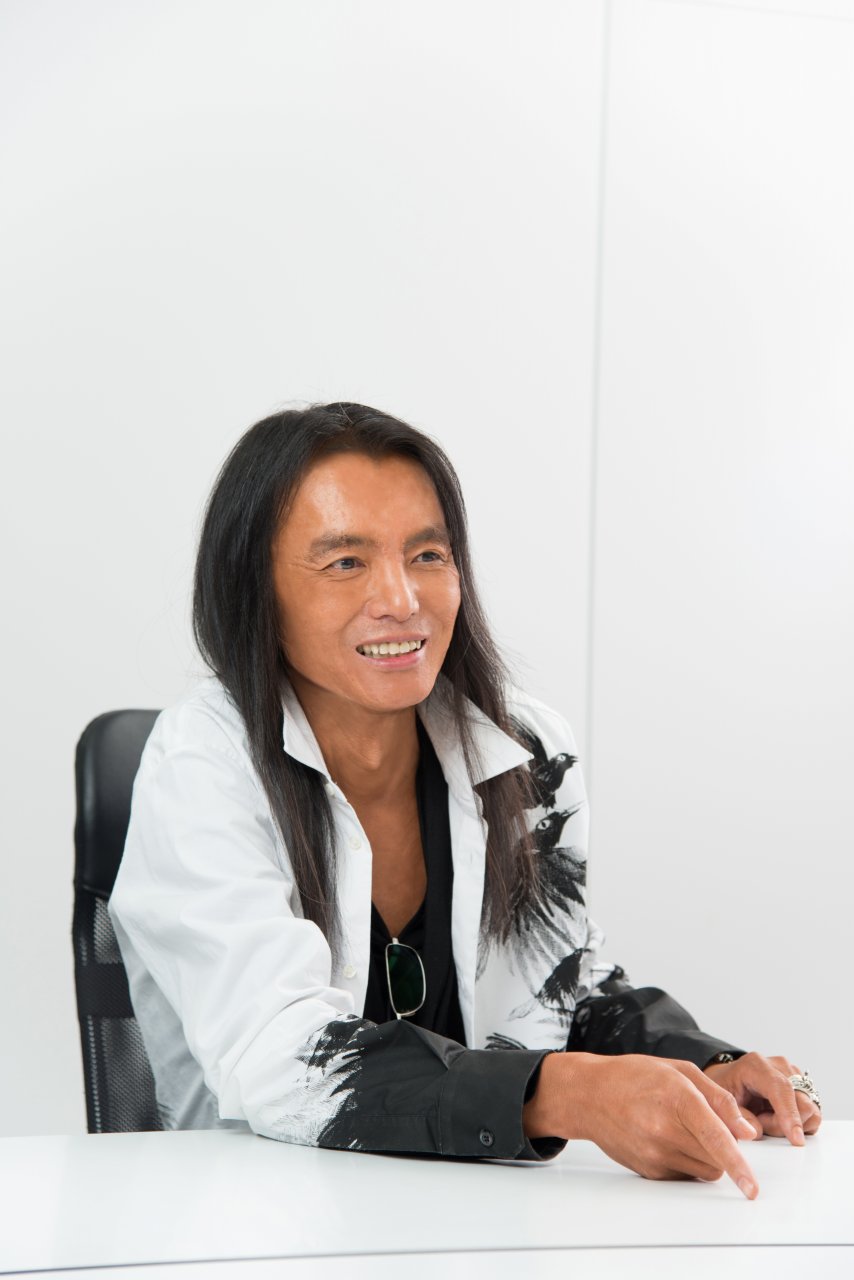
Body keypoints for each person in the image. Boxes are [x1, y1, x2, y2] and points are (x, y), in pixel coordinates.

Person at [109, 402, 821, 1197]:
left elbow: (565, 984)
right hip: (262, 1214)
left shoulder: (524, 751)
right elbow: (281, 1061)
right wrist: (566, 1094)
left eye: (427, 554)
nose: (401, 598)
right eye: (345, 562)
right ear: (255, 590)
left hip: (474, 1216)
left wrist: (704, 1064)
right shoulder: (203, 765)